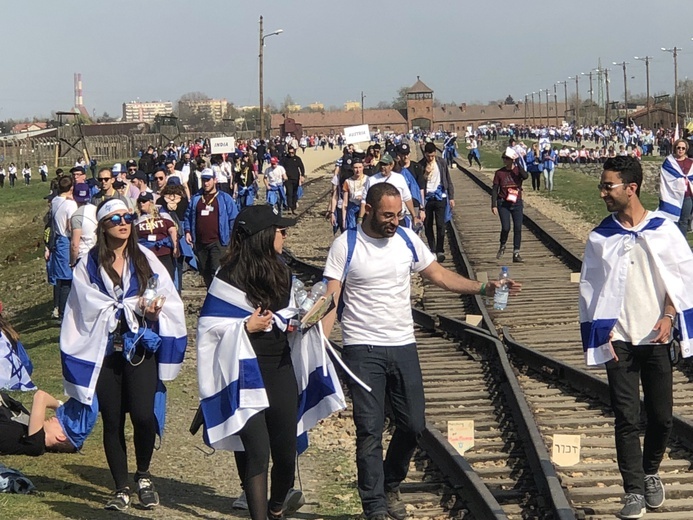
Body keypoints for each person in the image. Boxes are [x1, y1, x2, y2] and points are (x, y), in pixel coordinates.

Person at [321, 183, 520, 520]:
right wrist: (320, 348)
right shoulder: (346, 245)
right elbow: (331, 298)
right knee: (369, 429)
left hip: (403, 345)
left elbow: (438, 275)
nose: (394, 221)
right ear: (367, 210)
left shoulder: (406, 239)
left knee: (413, 424)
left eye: (398, 214)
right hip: (362, 348)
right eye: (387, 215)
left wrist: (483, 287)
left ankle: (390, 481)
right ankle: (374, 506)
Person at [196, 205, 345, 520]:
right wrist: (244, 328)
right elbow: (208, 330)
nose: (285, 233)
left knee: (286, 452)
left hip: (280, 369)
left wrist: (306, 318)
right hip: (243, 374)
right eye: (280, 229)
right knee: (256, 452)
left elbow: (290, 316)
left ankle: (277, 506)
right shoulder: (227, 277)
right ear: (263, 235)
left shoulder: (283, 270)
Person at [579, 155, 693, 519]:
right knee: (626, 417)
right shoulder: (601, 236)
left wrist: (669, 316)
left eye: (608, 186)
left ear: (632, 188)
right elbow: (590, 290)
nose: (602, 193)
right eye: (602, 185)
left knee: (662, 418)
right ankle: (632, 490)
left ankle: (650, 472)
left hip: (656, 338)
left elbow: (681, 280)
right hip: (621, 341)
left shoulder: (664, 228)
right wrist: (601, 334)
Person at [60, 198, 187, 511]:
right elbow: (83, 307)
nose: (123, 222)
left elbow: (167, 295)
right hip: (104, 351)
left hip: (139, 348)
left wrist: (152, 308)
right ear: (103, 225)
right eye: (115, 217)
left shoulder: (145, 258)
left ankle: (143, 474)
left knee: (144, 415)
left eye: (127, 216)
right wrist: (123, 308)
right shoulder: (88, 265)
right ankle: (120, 487)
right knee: (112, 419)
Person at [184, 168, 239, 288]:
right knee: (205, 272)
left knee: (217, 272)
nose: (206, 183)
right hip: (200, 243)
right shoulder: (196, 198)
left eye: (208, 180)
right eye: (203, 180)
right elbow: (188, 216)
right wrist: (187, 231)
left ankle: (219, 300)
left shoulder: (225, 198)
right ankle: (210, 296)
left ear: (215, 180)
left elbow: (233, 219)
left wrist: (230, 238)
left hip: (218, 241)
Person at [358, 153, 420, 229]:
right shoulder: (372, 180)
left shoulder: (399, 178)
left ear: (391, 165)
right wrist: (360, 218)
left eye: (385, 165)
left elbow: (407, 198)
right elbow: (364, 201)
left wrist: (414, 216)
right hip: (379, 221)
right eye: (381, 164)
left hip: (398, 219)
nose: (382, 167)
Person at [48, 177, 78, 319]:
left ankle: (59, 308)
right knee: (67, 277)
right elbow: (71, 225)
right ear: (71, 188)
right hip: (66, 239)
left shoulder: (55, 201)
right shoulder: (70, 205)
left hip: (57, 239)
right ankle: (64, 313)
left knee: (61, 278)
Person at [492, 149, 528, 263]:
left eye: (507, 159)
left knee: (518, 227)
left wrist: (517, 162)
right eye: (503, 158)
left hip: (516, 202)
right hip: (503, 203)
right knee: (506, 227)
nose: (504, 161)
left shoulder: (517, 171)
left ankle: (516, 252)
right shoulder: (499, 173)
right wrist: (493, 205)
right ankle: (503, 244)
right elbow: (494, 189)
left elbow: (525, 176)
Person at [134, 192, 179, 281]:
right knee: (150, 282)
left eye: (144, 201)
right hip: (146, 254)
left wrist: (175, 247)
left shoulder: (162, 215)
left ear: (151, 202)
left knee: (167, 279)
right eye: (139, 201)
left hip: (164, 252)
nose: (141, 204)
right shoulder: (136, 219)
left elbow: (172, 230)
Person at [658, 138, 693, 236]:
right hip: (672, 196)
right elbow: (665, 177)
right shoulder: (669, 163)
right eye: (679, 148)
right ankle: (672, 242)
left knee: (684, 220)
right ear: (675, 148)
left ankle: (682, 245)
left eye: (683, 148)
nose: (681, 150)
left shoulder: (690, 163)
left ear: (686, 149)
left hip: (687, 196)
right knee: (672, 220)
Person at [69, 183, 98, 268]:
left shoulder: (76, 216)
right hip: (98, 253)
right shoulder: (96, 210)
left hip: (83, 257)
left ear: (74, 196)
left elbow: (75, 245)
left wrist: (72, 262)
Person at [342, 159, 366, 230]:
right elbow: (345, 203)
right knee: (351, 230)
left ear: (363, 167)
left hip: (364, 208)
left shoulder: (368, 180)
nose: (358, 170)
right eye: (355, 168)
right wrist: (344, 220)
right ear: (352, 168)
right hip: (352, 209)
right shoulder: (348, 181)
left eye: (360, 167)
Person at [282, 145, 305, 215]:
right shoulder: (284, 159)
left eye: (292, 152)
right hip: (287, 179)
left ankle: (294, 208)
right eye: (290, 153)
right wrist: (283, 176)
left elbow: (301, 167)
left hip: (296, 178)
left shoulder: (297, 158)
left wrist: (302, 176)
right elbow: (281, 167)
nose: (291, 154)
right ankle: (289, 207)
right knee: (289, 193)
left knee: (295, 194)